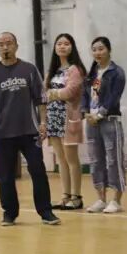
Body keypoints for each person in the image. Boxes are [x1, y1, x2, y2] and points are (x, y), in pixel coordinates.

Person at [0, 32, 61, 226]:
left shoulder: (29, 70)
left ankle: (46, 212)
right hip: (3, 132)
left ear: (16, 46)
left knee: (37, 170)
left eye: (9, 43)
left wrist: (43, 122)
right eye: (1, 44)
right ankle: (9, 213)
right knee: (5, 176)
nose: (5, 47)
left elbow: (40, 99)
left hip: (29, 131)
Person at [82, 37, 127, 213]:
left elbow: (114, 97)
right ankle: (101, 198)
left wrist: (100, 114)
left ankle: (116, 200)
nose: (97, 53)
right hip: (91, 122)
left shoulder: (116, 72)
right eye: (94, 49)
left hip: (109, 120)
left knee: (114, 159)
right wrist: (86, 112)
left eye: (101, 49)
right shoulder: (92, 73)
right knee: (95, 160)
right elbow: (85, 94)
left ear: (109, 50)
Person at [44, 34, 87, 210]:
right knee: (60, 159)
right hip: (53, 117)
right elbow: (43, 93)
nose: (62, 46)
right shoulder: (52, 71)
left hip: (67, 117)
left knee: (71, 159)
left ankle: (76, 197)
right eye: (59, 44)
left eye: (66, 44)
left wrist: (53, 94)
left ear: (72, 47)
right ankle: (65, 195)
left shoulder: (75, 69)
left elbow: (69, 92)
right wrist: (53, 95)